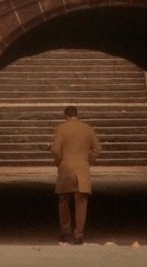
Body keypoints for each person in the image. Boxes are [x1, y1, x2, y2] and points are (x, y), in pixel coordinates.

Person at [51, 105, 101, 245]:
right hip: (82, 169)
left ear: (65, 115)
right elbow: (97, 148)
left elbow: (55, 149)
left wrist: (58, 161)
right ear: (76, 115)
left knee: (63, 201)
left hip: (66, 168)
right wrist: (88, 161)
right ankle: (79, 233)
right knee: (81, 202)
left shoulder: (61, 128)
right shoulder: (88, 129)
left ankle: (65, 232)